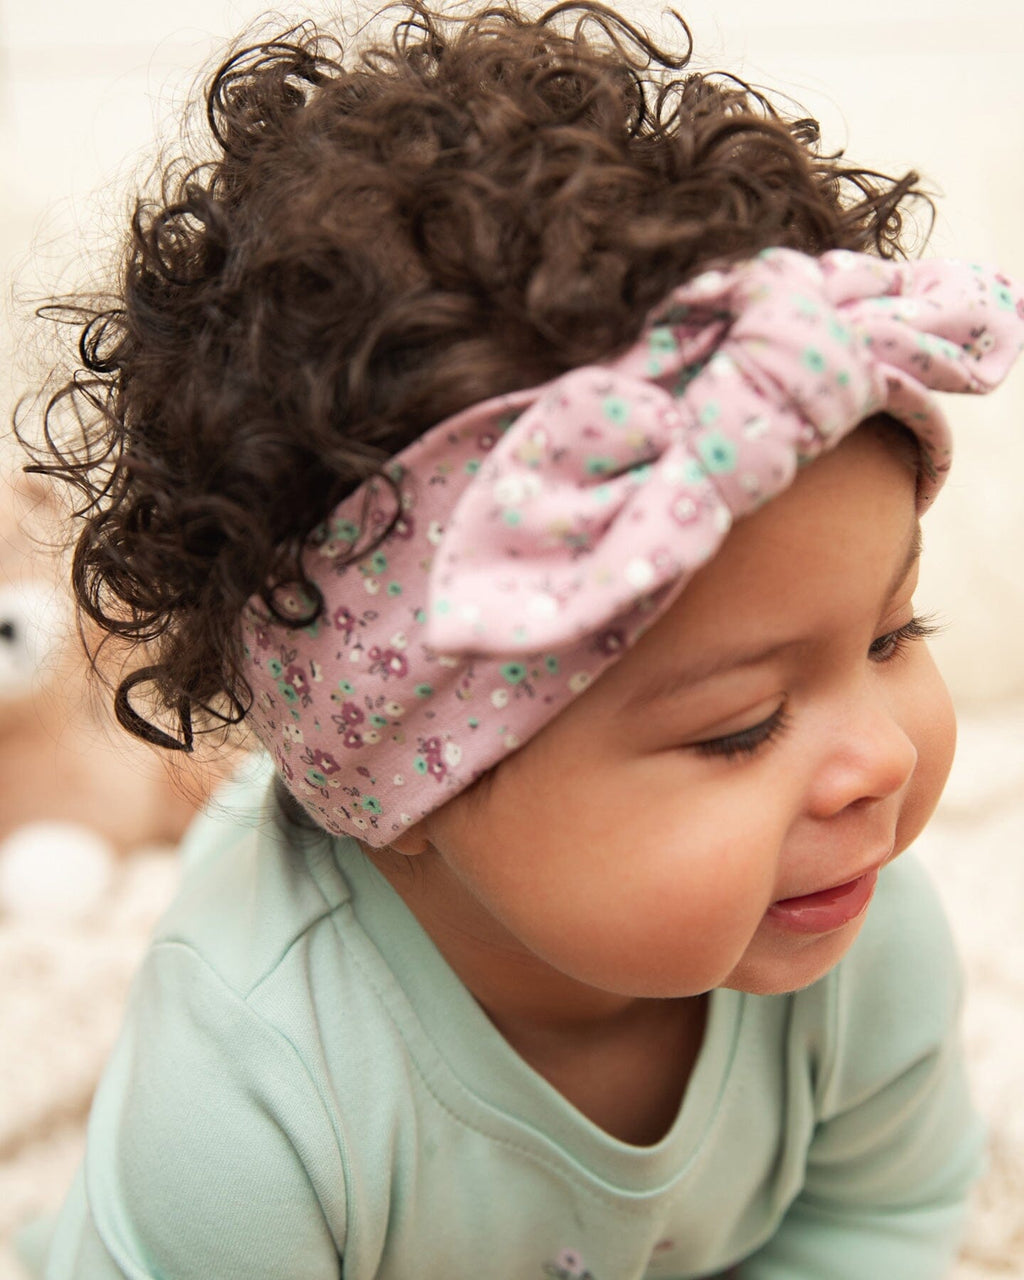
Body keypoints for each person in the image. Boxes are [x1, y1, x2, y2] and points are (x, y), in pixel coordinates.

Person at [22, 3, 1024, 1277]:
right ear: (406, 781)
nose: (877, 756)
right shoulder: (252, 1082)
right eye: (739, 727)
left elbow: (877, 1215)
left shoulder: (851, 924)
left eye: (892, 634)